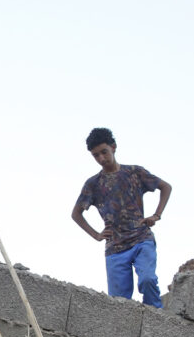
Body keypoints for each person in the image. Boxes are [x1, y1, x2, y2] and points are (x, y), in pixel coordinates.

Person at [71, 127, 172, 308]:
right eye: (96, 156)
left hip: (141, 238)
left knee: (148, 280)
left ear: (114, 147)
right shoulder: (93, 184)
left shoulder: (134, 173)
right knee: (118, 304)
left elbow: (166, 187)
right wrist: (96, 235)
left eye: (104, 152)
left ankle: (156, 321)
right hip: (115, 248)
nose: (101, 158)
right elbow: (76, 214)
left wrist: (156, 215)